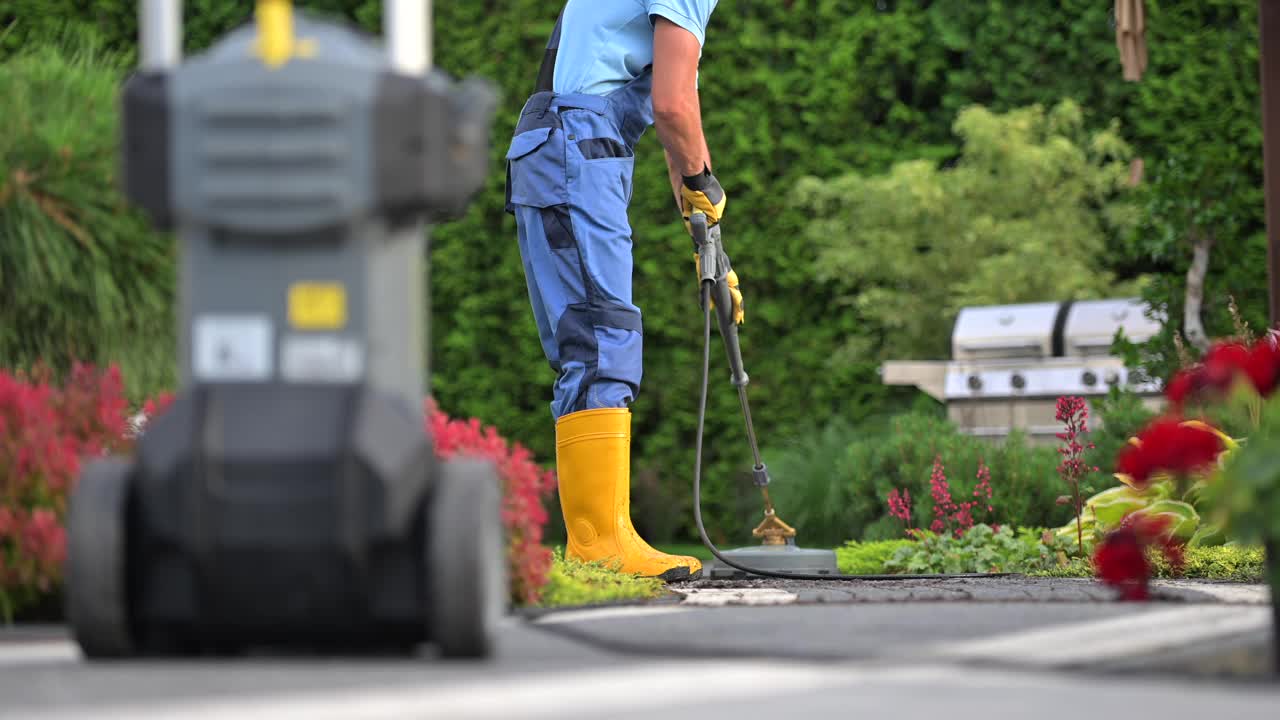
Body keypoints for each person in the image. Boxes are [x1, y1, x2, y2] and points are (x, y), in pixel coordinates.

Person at [504, 0, 740, 581]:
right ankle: (600, 543)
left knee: (590, 337)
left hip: (561, 140)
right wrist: (702, 180)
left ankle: (603, 536)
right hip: (578, 145)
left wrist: (706, 236)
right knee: (600, 336)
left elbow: (674, 110)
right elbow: (671, 106)